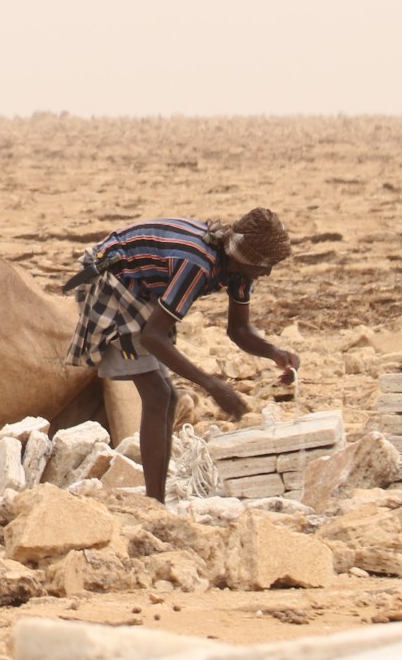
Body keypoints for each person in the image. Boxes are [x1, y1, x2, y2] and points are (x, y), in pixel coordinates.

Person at [63, 208, 299, 501]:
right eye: (265, 265)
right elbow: (153, 336)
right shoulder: (197, 265)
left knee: (166, 397)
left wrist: (274, 352)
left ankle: (156, 498)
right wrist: (212, 385)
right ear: (247, 257)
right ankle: (154, 502)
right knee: (158, 396)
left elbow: (238, 330)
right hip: (111, 282)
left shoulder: (238, 269)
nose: (268, 272)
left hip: (142, 288)